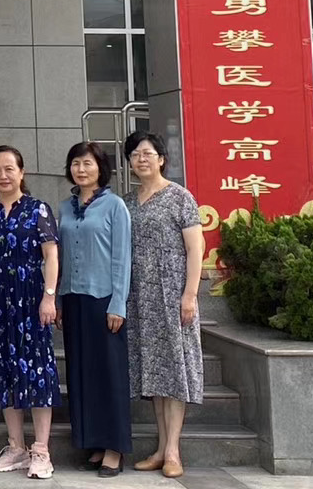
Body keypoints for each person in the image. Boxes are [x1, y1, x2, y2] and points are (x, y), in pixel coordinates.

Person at [0, 145, 59, 480]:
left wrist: (49, 297)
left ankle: (41, 450)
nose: (3, 176)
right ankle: (16, 446)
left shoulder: (38, 209)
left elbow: (51, 255)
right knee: (3, 370)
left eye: (9, 169)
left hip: (30, 300)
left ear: (22, 172)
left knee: (36, 370)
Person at [124, 132, 204, 479]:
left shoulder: (180, 197)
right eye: (135, 154)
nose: (141, 159)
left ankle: (173, 450)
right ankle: (160, 449)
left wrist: (190, 295)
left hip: (172, 294)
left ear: (161, 159)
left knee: (174, 371)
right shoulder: (127, 202)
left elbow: (195, 249)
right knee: (154, 374)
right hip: (139, 298)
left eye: (147, 153)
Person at [58, 141, 132, 477]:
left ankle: (115, 448)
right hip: (73, 299)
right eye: (76, 163)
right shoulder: (65, 207)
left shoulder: (115, 206)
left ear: (101, 168)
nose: (81, 169)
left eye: (87, 163)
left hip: (103, 300)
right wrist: (59, 300)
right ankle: (94, 443)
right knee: (81, 374)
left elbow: (122, 258)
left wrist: (118, 304)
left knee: (108, 375)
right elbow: (58, 257)